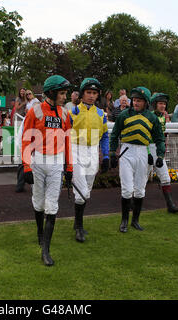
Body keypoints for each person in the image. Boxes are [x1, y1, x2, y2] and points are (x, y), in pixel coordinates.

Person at [21, 75, 73, 266]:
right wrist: (26, 165)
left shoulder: (65, 114)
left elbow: (68, 142)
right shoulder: (34, 111)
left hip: (57, 164)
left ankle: (46, 250)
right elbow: (26, 139)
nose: (64, 96)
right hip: (37, 162)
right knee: (38, 202)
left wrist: (69, 167)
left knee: (51, 205)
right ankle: (39, 232)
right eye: (62, 93)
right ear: (51, 93)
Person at [109, 87, 165, 233]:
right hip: (127, 151)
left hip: (143, 153)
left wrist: (160, 156)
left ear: (146, 102)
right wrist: (112, 152)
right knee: (127, 189)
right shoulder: (123, 115)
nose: (135, 102)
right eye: (134, 100)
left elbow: (159, 138)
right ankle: (124, 221)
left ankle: (135, 221)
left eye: (139, 100)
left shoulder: (152, 118)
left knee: (140, 190)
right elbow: (114, 135)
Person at [69, 78, 109, 242]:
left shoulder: (101, 114)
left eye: (94, 93)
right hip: (75, 150)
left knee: (87, 191)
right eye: (88, 92)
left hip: (93, 151)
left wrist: (106, 156)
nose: (91, 96)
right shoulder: (72, 112)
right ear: (82, 94)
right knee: (81, 192)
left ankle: (77, 222)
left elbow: (105, 136)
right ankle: (79, 227)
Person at [149, 93, 178, 213]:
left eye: (164, 104)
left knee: (165, 177)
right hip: (148, 149)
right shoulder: (149, 116)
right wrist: (149, 152)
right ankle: (131, 203)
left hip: (158, 150)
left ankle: (170, 205)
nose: (163, 106)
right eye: (160, 103)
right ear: (155, 105)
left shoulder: (163, 117)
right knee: (142, 179)